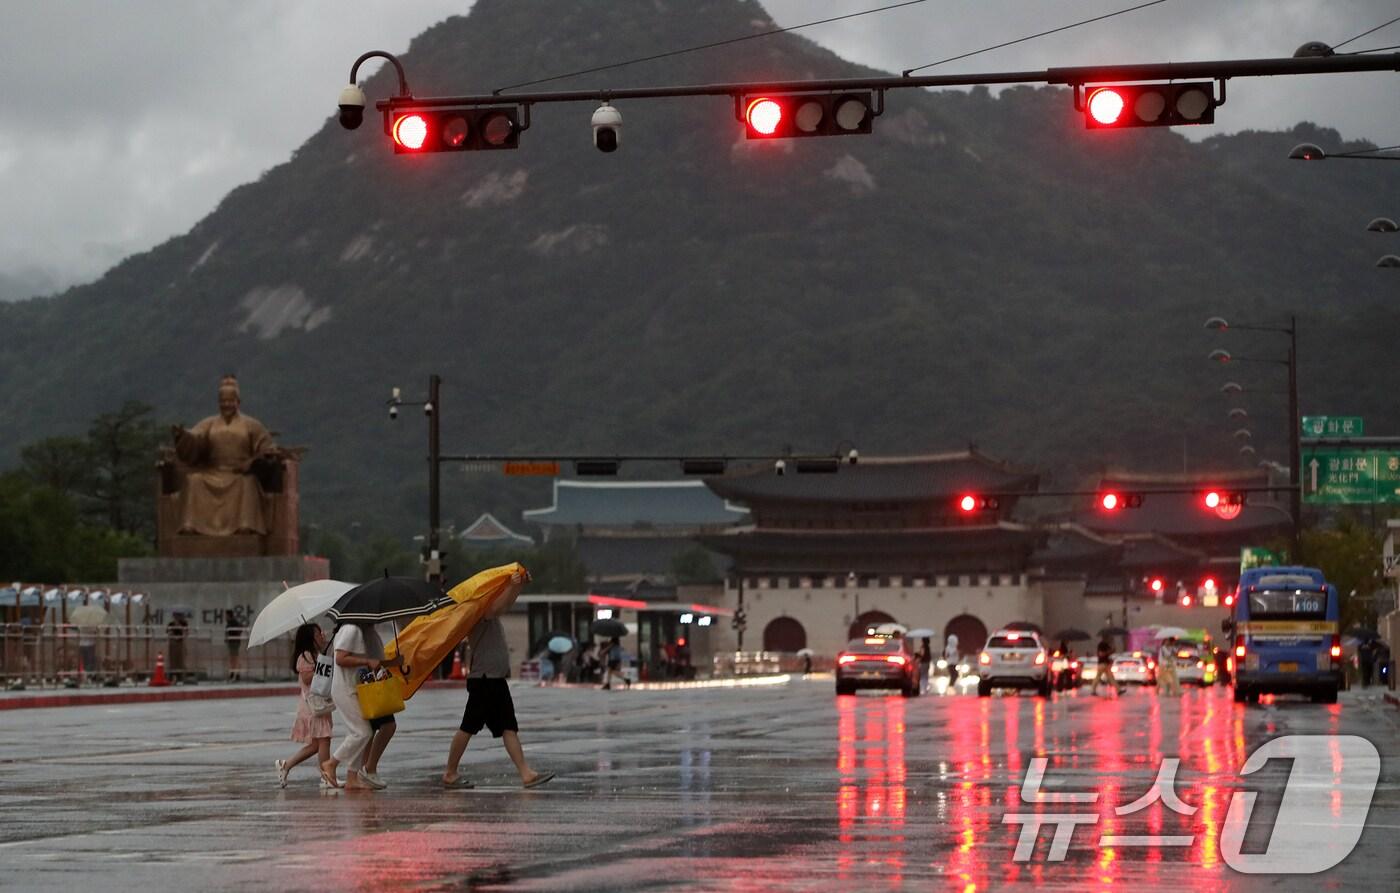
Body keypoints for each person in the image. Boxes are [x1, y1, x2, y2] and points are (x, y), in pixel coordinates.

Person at [442, 613, 555, 790]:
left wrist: (515, 584)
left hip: (495, 679)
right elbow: (502, 604)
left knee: (508, 727)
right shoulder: (483, 609)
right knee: (468, 727)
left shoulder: (489, 608)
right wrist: (514, 585)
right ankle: (450, 772)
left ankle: (526, 774)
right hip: (484, 679)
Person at [172, 375, 277, 536]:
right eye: (223, 401)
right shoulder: (209, 423)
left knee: (247, 483)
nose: (226, 404)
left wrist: (253, 460)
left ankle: (245, 525)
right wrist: (183, 436)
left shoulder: (252, 425)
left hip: (239, 473)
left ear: (238, 402)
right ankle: (190, 525)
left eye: (230, 401)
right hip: (213, 471)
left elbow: (267, 447)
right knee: (194, 481)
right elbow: (195, 437)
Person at [320, 621, 400, 792]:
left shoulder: (359, 630)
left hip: (355, 688)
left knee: (360, 733)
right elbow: (340, 658)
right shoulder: (351, 629)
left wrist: (389, 662)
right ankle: (331, 763)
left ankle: (352, 777)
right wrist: (367, 660)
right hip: (345, 689)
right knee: (362, 732)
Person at [276, 623, 334, 788]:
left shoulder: (317, 654)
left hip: (319, 703)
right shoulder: (306, 656)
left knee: (316, 744)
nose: (321, 635)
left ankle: (285, 765)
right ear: (310, 638)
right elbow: (308, 679)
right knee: (324, 740)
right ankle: (326, 776)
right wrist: (320, 666)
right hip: (312, 706)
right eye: (317, 633)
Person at [224, 610, 246, 682]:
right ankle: (233, 673)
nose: (225, 617)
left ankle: (235, 674)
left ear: (228, 615)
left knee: (235, 658)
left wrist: (236, 636)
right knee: (232, 658)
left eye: (226, 615)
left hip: (234, 642)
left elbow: (240, 628)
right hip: (232, 642)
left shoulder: (233, 622)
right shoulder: (230, 622)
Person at [166, 612, 189, 678]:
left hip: (181, 643)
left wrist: (180, 627)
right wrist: (173, 635)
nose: (176, 618)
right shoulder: (171, 624)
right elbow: (168, 633)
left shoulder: (184, 624)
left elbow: (186, 633)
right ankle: (173, 675)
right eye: (175, 616)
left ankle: (182, 675)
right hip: (173, 643)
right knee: (173, 659)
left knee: (181, 659)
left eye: (178, 616)